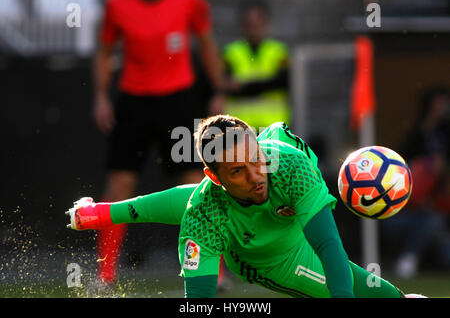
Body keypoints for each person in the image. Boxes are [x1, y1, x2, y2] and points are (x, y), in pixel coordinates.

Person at [66, 115, 425, 298]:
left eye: (256, 159)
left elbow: (328, 244)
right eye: (238, 170)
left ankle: (103, 211)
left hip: (294, 220)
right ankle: (105, 213)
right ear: (214, 174)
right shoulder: (203, 217)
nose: (256, 176)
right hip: (272, 256)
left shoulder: (288, 164)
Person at [92, 0, 225, 286]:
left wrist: (217, 90)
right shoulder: (117, 5)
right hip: (133, 102)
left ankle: (214, 271)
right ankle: (105, 275)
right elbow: (104, 52)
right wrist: (101, 96)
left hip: (178, 100)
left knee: (198, 185)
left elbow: (206, 43)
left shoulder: (191, 2)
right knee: (119, 185)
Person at [383, 87, 450, 279]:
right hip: (404, 214)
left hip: (436, 212)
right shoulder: (413, 140)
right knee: (432, 221)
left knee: (439, 231)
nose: (442, 108)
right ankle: (409, 258)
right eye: (438, 104)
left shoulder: (445, 137)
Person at [222, 0, 291, 132]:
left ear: (266, 23)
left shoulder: (278, 51)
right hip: (240, 126)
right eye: (249, 23)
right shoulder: (230, 52)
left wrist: (244, 86)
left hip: (273, 127)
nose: (253, 27)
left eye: (257, 23)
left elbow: (282, 82)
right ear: (242, 25)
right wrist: (265, 83)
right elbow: (226, 85)